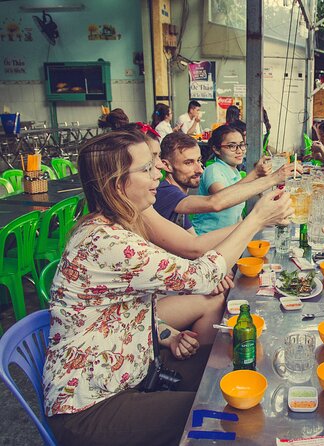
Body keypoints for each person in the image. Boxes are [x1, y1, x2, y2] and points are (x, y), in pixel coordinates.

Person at [43, 131, 293, 446]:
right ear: (118, 183)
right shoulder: (106, 239)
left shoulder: (119, 221)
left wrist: (165, 334)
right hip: (89, 408)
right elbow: (202, 277)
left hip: (133, 372)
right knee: (229, 413)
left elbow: (113, 312)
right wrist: (256, 219)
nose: (159, 173)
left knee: (225, 371)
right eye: (147, 169)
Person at [155, 132, 295, 232]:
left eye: (199, 160)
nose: (200, 169)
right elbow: (216, 202)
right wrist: (273, 179)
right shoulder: (164, 192)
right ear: (166, 165)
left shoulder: (179, 197)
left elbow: (194, 244)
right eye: (188, 162)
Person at [191, 125, 296, 234]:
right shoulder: (213, 170)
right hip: (207, 237)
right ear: (216, 149)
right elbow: (223, 199)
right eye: (232, 146)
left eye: (242, 145)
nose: (239, 151)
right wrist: (255, 174)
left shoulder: (235, 173)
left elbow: (236, 213)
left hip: (226, 237)